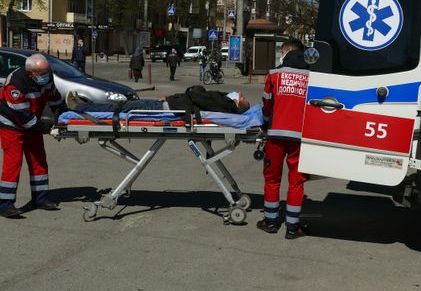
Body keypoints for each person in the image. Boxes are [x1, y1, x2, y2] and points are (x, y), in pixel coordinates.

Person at [257, 39, 310, 239]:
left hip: (276, 136)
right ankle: (292, 227)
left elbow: (267, 105)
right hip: (301, 138)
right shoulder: (311, 76)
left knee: (272, 179)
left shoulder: (274, 74)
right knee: (296, 183)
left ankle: (270, 222)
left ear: (286, 52)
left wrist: (266, 123)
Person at [0, 54, 64, 218]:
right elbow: (21, 116)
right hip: (11, 124)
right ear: (30, 73)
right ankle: (5, 204)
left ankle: (40, 199)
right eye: (42, 73)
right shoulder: (15, 84)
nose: (46, 75)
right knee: (13, 162)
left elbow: (54, 97)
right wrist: (47, 129)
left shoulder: (46, 77)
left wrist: (62, 116)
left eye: (47, 71)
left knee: (38, 159)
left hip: (32, 121)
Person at [65, 85, 250, 115]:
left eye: (240, 97)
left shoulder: (223, 103)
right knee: (122, 106)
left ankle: (81, 108)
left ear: (236, 103)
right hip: (168, 104)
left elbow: (195, 94)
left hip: (165, 108)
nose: (238, 93)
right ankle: (85, 106)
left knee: (122, 108)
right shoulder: (223, 102)